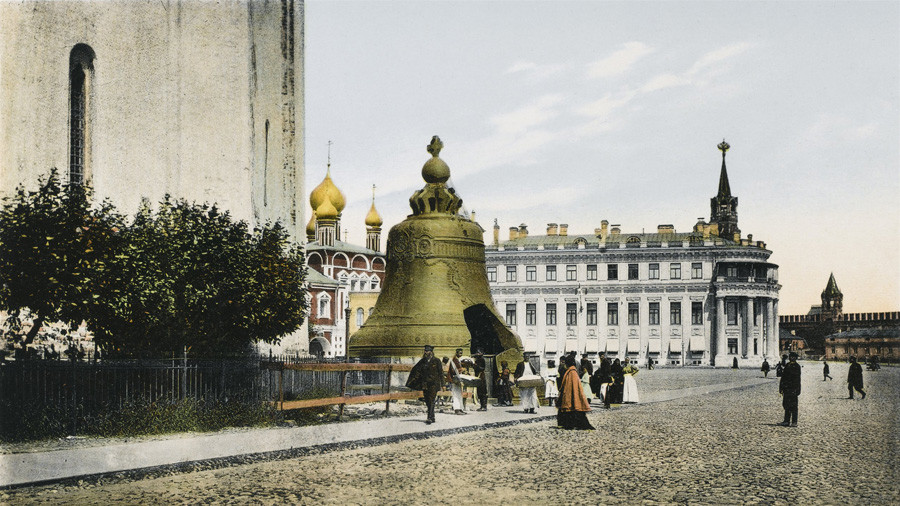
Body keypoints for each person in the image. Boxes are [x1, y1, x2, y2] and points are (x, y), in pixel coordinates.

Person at [406, 345, 445, 424]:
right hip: (425, 384)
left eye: (427, 351)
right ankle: (432, 416)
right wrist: (413, 381)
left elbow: (441, 373)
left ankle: (429, 417)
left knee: (432, 400)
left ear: (431, 352)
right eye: (425, 351)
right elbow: (416, 370)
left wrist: (443, 384)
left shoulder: (436, 361)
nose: (425, 352)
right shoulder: (422, 361)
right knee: (427, 400)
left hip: (434, 384)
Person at [556, 354, 594, 430]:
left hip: (569, 395)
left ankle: (569, 424)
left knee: (570, 410)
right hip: (570, 395)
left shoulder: (571, 372)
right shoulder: (572, 371)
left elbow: (569, 386)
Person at [778, 351, 801, 427]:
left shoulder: (797, 366)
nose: (792, 358)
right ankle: (786, 421)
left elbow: (798, 379)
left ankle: (794, 422)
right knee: (786, 405)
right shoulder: (787, 365)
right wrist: (781, 388)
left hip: (793, 389)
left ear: (796, 358)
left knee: (794, 406)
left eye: (794, 357)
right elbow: (783, 377)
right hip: (786, 389)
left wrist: (798, 390)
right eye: (791, 357)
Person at [447, 348, 467, 415]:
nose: (461, 354)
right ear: (457, 353)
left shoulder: (459, 360)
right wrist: (461, 370)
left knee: (459, 394)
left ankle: (460, 408)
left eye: (461, 353)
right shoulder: (454, 360)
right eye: (460, 353)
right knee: (455, 394)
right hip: (454, 380)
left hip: (458, 380)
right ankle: (456, 409)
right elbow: (454, 371)